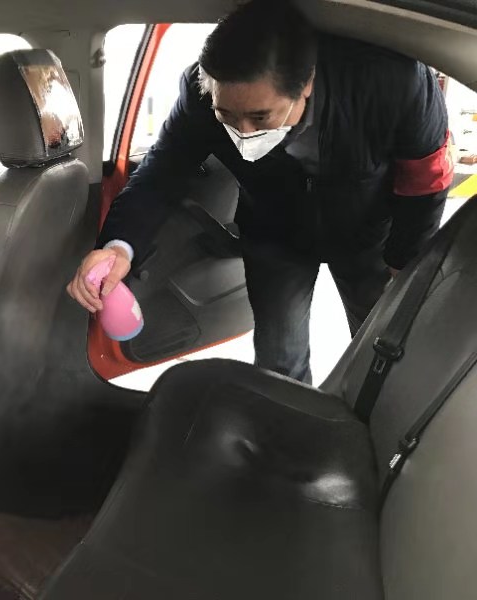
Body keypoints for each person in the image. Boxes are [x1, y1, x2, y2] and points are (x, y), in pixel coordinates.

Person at [67, 0, 454, 384]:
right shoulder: (200, 94)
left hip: (368, 235)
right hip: (275, 234)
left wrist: (405, 261)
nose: (243, 133)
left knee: (381, 351)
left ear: (306, 84)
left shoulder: (391, 82)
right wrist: (119, 247)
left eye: (260, 117)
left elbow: (426, 179)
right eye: (227, 116)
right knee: (278, 362)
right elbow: (161, 172)